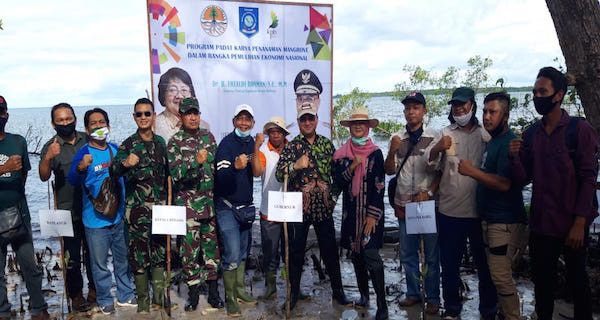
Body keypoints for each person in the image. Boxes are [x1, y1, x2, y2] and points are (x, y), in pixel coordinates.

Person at [509, 67, 599, 320]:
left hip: (572, 224)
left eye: (543, 91)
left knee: (578, 282)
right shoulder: (531, 134)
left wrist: (580, 222)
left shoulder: (579, 131)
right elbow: (521, 178)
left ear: (558, 95)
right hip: (542, 225)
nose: (537, 96)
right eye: (535, 91)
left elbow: (588, 177)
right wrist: (514, 156)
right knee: (543, 285)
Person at [275, 69, 351, 311]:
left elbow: (338, 177)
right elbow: (279, 174)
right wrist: (295, 166)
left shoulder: (327, 145)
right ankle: (294, 293)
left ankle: (338, 292)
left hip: (323, 208)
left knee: (330, 251)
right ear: (298, 122)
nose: (307, 122)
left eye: (311, 119)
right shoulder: (292, 146)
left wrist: (333, 198)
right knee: (295, 252)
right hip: (299, 208)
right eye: (303, 119)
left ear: (316, 120)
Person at [425, 87, 497, 320]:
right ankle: (453, 309)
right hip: (449, 211)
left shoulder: (485, 134)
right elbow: (429, 165)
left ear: (472, 106)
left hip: (479, 213)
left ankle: (488, 310)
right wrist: (437, 147)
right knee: (450, 265)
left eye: (463, 105)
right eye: (455, 105)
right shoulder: (445, 133)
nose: (459, 108)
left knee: (485, 267)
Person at [458, 92, 527, 320]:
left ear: (505, 115)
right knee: (495, 274)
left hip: (505, 222)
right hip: (490, 220)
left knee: (500, 276)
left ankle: (512, 316)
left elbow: (505, 183)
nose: (487, 117)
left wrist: (472, 171)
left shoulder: (509, 142)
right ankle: (502, 313)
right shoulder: (493, 141)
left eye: (493, 112)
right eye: (485, 111)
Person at [67, 108, 137, 315]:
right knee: (99, 265)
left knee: (122, 260)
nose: (98, 126)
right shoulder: (84, 152)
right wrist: (80, 167)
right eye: (94, 123)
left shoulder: (115, 149)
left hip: (118, 218)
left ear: (108, 126)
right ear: (87, 129)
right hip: (95, 220)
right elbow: (72, 180)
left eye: (102, 122)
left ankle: (125, 295)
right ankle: (105, 298)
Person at [111, 98, 170, 313]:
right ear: (134, 117)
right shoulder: (127, 145)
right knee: (138, 257)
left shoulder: (161, 143)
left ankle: (159, 297)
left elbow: (168, 176)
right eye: (139, 114)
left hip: (160, 211)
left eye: (147, 113)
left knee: (159, 253)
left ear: (154, 116)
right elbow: (114, 170)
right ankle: (143, 300)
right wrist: (125, 163)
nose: (143, 117)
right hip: (136, 212)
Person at [384, 92, 440, 315]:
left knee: (432, 255)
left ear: (424, 111)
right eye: (407, 108)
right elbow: (389, 170)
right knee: (408, 253)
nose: (411, 112)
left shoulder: (434, 137)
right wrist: (391, 149)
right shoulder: (397, 138)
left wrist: (429, 192)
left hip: (427, 205)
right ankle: (413, 293)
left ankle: (433, 297)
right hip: (404, 204)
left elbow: (441, 172)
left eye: (416, 107)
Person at [167, 97, 224, 312]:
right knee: (189, 252)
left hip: (208, 206)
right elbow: (175, 175)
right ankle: (192, 293)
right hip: (188, 209)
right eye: (188, 113)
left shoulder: (208, 137)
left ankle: (213, 292)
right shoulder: (175, 142)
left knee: (211, 251)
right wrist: (194, 163)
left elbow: (216, 171)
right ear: (181, 116)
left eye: (196, 113)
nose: (193, 117)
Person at [38, 103, 95, 312]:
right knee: (71, 258)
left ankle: (95, 291)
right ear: (54, 123)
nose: (65, 123)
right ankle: (76, 295)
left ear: (75, 119)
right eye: (60, 120)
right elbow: (44, 176)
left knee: (93, 254)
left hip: (91, 208)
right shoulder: (51, 146)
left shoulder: (87, 139)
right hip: (66, 211)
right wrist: (48, 158)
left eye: (68, 118)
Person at [333, 106, 388, 320]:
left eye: (362, 124)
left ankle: (382, 305)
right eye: (354, 124)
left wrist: (373, 215)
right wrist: (353, 166)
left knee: (372, 256)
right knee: (356, 255)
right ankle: (365, 296)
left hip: (370, 215)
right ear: (349, 128)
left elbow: (379, 185)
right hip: (351, 215)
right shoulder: (342, 154)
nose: (358, 127)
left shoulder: (376, 153)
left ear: (367, 127)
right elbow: (338, 181)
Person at [0, 95, 50, 320]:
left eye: (0, 112)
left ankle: (38, 309)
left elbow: (24, 175)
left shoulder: (18, 141)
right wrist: (4, 168)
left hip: (19, 215)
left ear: (6, 115)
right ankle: (2, 311)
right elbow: (12, 169)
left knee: (30, 266)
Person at [214, 104, 257, 317]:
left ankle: (240, 290)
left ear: (252, 123)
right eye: (240, 119)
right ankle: (230, 298)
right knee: (231, 253)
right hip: (226, 207)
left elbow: (257, 173)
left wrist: (256, 149)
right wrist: (235, 167)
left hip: (246, 207)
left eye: (247, 119)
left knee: (242, 253)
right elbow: (220, 177)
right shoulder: (226, 144)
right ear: (234, 122)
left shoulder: (251, 143)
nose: (244, 122)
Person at [250, 116, 289, 300]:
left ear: (284, 134)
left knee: (291, 251)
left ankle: (292, 286)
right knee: (270, 252)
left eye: (278, 131)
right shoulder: (264, 150)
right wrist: (256, 148)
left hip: (290, 209)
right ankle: (271, 286)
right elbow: (257, 172)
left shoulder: (293, 148)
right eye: (272, 132)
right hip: (270, 210)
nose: (275, 135)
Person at [155, 67, 209, 142]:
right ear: (163, 95)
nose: (179, 96)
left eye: (184, 90)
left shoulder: (204, 126)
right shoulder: (154, 125)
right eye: (172, 90)